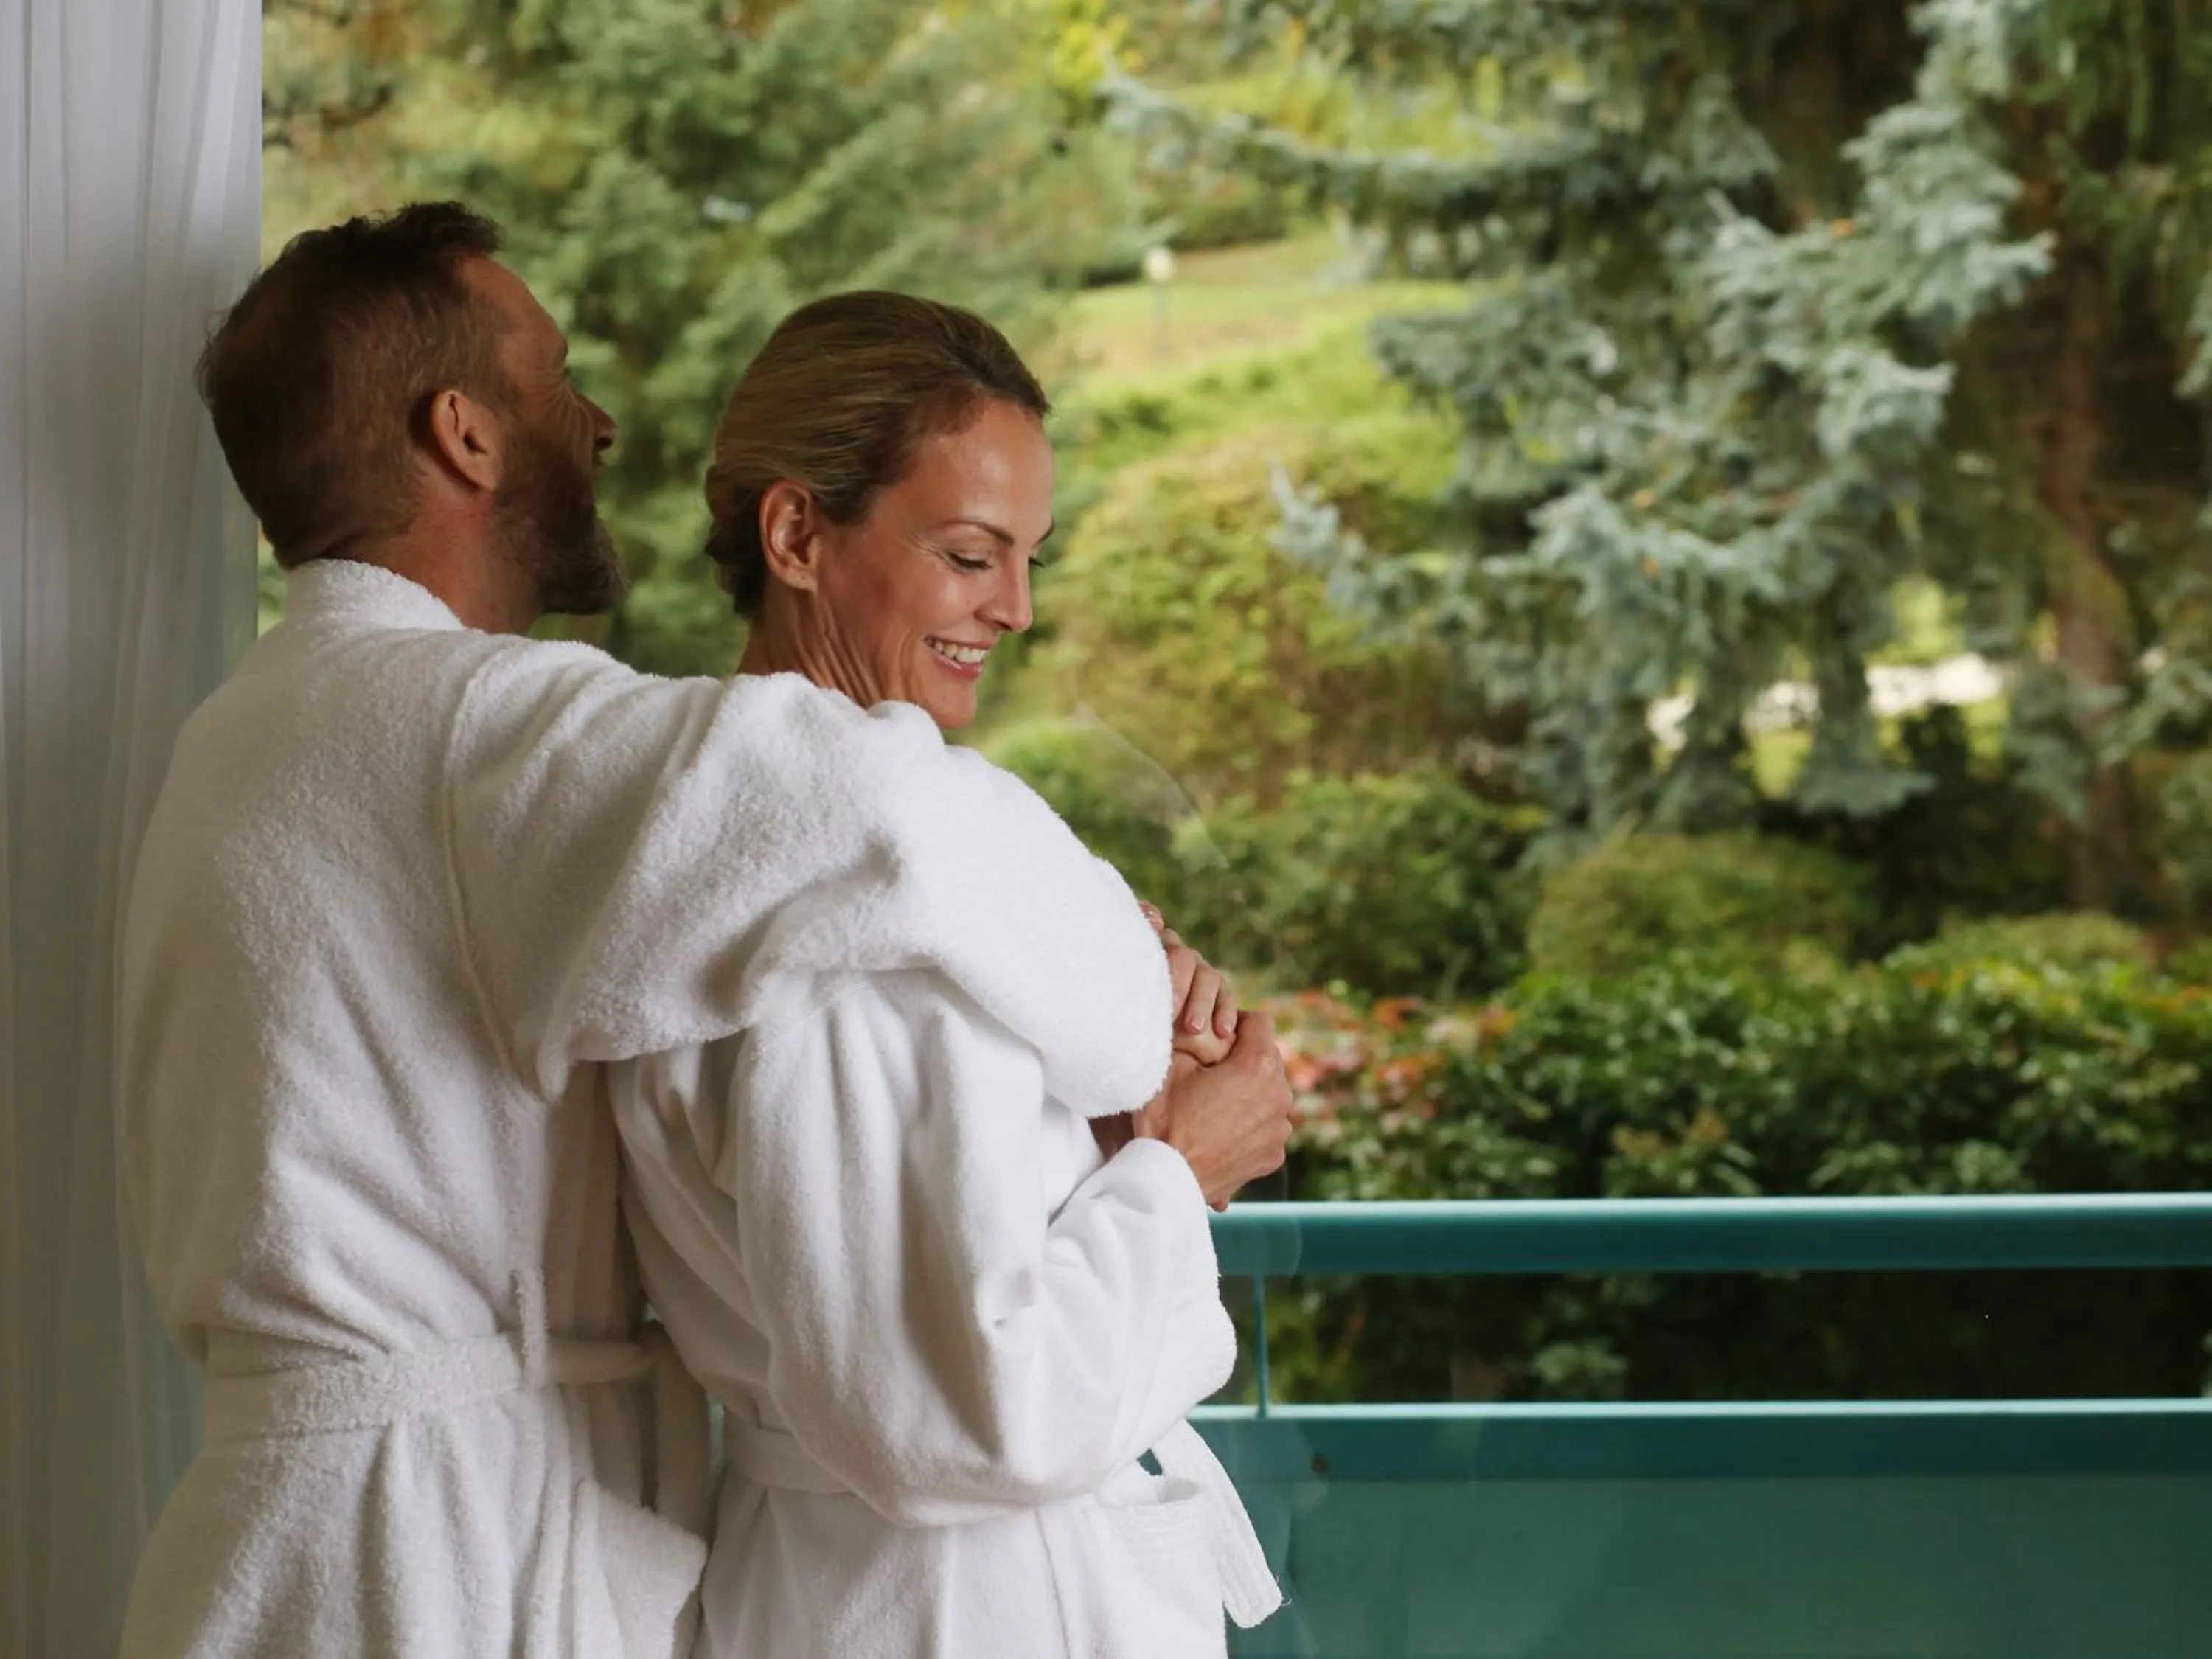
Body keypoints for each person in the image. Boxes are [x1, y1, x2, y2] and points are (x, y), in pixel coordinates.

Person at [118, 207, 1286, 1659]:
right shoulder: (473, 740)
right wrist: (1155, 1037)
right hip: (433, 1565)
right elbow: (869, 812)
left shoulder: (247, 733)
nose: (597, 422)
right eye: (554, 376)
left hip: (315, 1531)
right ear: (466, 436)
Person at [606, 291, 1293, 1659]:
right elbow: (967, 1414)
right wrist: (1184, 1167)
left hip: (857, 1589)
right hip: (959, 1607)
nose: (1018, 609)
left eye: (1031, 557)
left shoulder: (748, 845)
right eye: (972, 553)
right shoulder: (850, 922)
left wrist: (1102, 1114)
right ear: (796, 534)